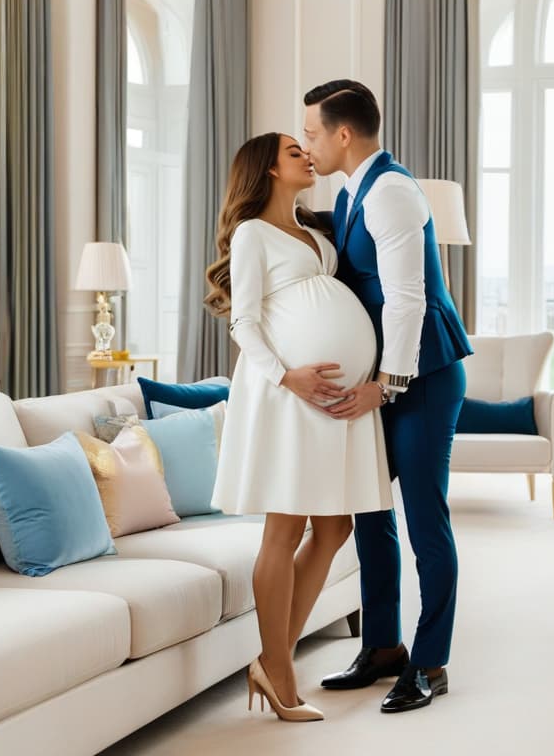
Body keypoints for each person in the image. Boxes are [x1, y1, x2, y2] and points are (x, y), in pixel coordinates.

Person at [206, 132, 392, 723]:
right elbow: (244, 321)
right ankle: (279, 671)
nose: (306, 155)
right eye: (293, 150)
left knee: (334, 526)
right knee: (284, 532)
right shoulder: (251, 234)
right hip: (289, 395)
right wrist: (287, 378)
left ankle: (273, 656)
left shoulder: (315, 232)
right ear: (266, 170)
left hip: (334, 402)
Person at [301, 79, 474, 714]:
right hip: (385, 377)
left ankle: (430, 662)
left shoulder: (395, 193)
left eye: (313, 133)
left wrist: (387, 385)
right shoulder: (351, 191)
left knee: (425, 519)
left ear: (344, 134)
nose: (307, 144)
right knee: (371, 511)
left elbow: (406, 299)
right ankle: (382, 647)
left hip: (422, 378)